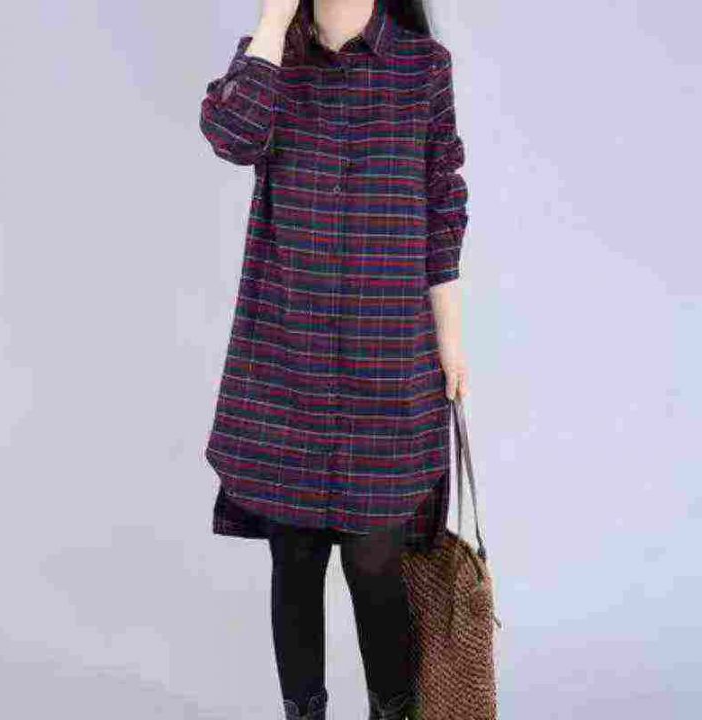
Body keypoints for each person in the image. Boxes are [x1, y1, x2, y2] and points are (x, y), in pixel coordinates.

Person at [199, 0, 469, 717]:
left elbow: (442, 208)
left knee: (375, 560)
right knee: (294, 556)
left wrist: (451, 342)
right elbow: (231, 135)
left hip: (391, 357)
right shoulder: (269, 63)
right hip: (285, 358)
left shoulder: (422, 68)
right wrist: (272, 22)